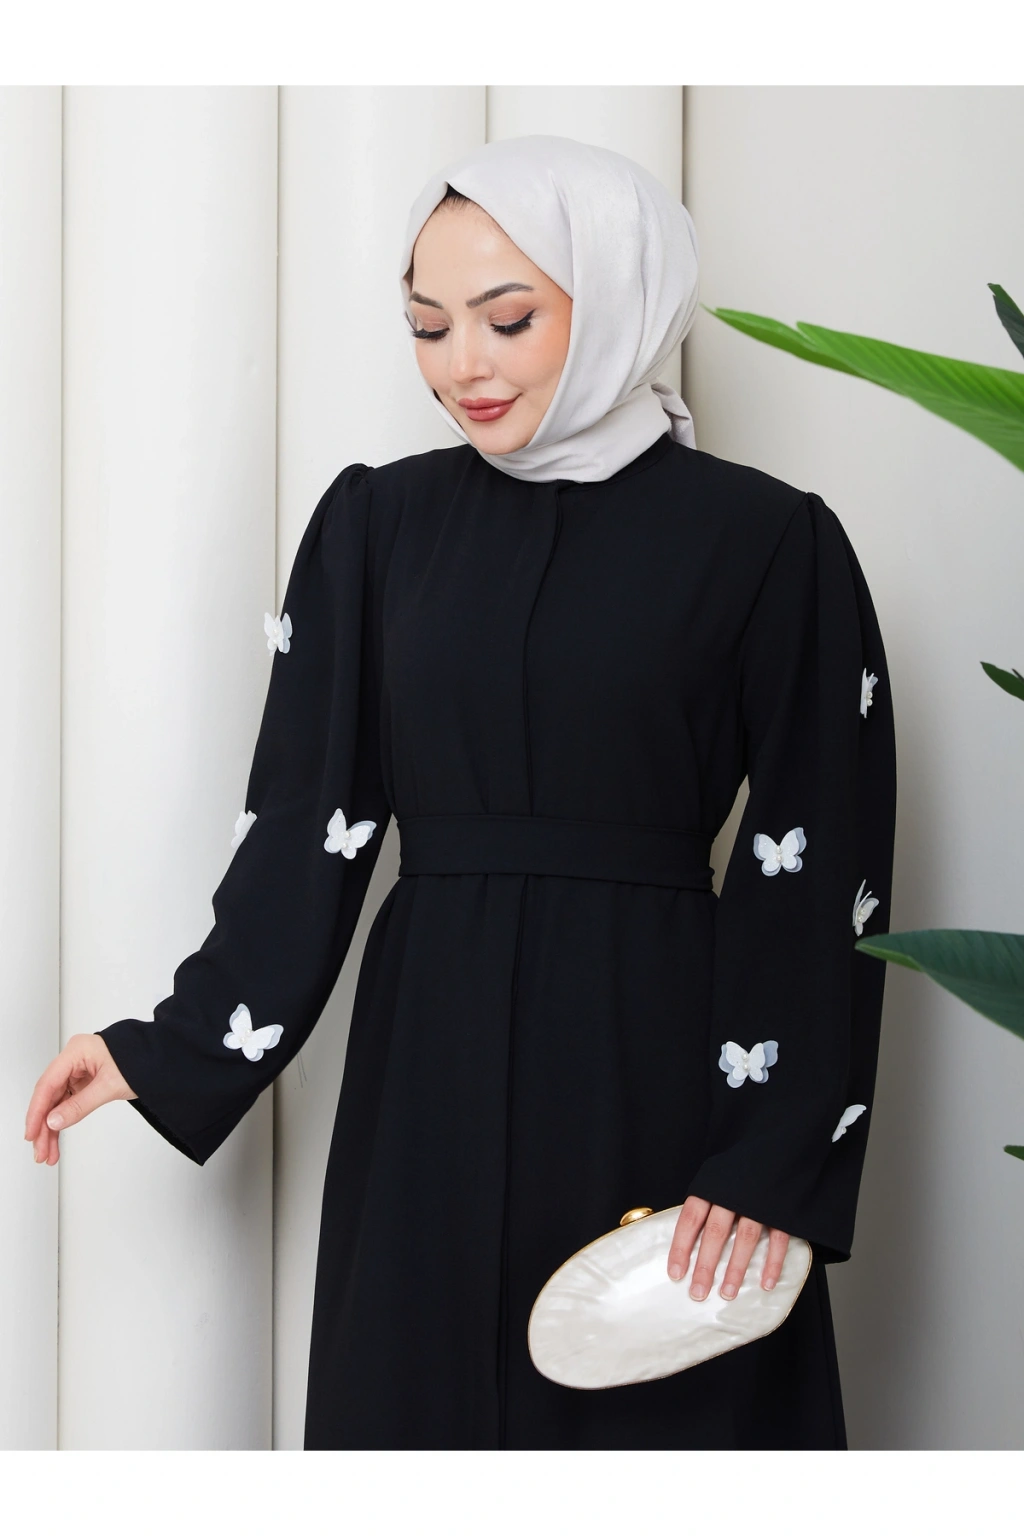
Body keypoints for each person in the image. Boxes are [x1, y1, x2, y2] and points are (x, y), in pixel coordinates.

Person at [24, 134, 897, 1450]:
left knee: (662, 1419)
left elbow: (820, 862)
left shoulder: (770, 541)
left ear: (619, 297)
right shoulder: (378, 527)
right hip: (426, 1048)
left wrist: (774, 1156)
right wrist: (174, 1044)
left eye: (508, 318)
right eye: (428, 327)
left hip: (657, 1045)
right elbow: (308, 821)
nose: (461, 366)